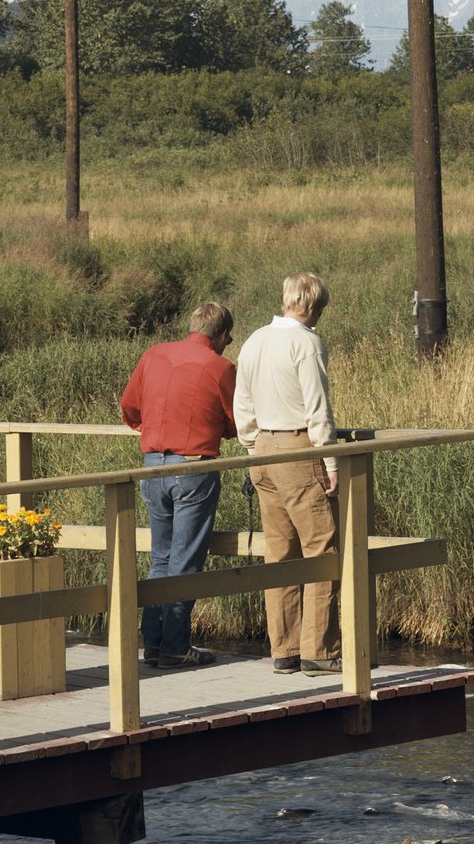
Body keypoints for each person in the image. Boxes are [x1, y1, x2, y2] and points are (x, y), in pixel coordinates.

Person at [119, 301, 239, 668]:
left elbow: (129, 407)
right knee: (185, 562)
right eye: (228, 338)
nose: (227, 344)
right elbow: (236, 423)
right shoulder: (220, 367)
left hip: (152, 465)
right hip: (192, 468)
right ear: (219, 335)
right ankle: (174, 647)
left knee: (160, 558)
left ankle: (153, 644)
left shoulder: (154, 355)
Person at [233, 271, 340, 674]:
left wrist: (251, 447)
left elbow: (242, 405)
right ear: (314, 306)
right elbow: (318, 409)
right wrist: (330, 462)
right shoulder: (306, 343)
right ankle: (320, 650)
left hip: (262, 448)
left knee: (280, 552)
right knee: (321, 548)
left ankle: (285, 650)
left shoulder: (254, 340)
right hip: (298, 448)